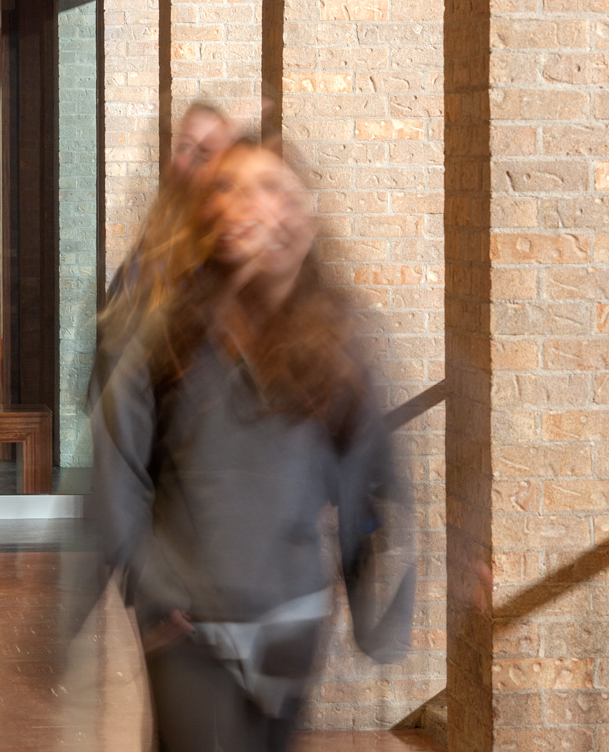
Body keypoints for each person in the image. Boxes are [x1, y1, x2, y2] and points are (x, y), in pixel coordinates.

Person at [91, 139, 416, 752]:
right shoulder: (169, 332)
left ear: (301, 216)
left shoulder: (336, 339)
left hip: (291, 617)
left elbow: (372, 478)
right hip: (193, 625)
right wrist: (154, 589)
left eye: (269, 188)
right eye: (228, 188)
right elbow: (118, 464)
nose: (247, 204)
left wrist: (375, 603)